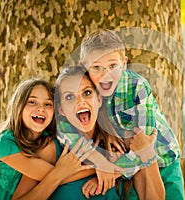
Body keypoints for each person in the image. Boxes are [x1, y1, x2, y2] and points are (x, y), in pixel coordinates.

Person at [79, 29, 185, 200]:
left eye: (113, 66)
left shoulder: (137, 87)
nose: (106, 75)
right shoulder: (88, 90)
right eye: (97, 67)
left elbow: (146, 141)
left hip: (164, 159)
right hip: (132, 169)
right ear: (84, 67)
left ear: (125, 63)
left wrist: (111, 172)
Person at [53, 66, 163, 199]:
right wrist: (100, 165)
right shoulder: (54, 149)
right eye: (69, 97)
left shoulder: (123, 144)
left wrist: (146, 153)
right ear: (60, 109)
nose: (80, 102)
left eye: (87, 93)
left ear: (99, 99)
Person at [0, 78, 93, 199]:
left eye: (48, 104)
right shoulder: (4, 143)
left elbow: (60, 174)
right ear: (18, 107)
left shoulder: (47, 139)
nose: (41, 108)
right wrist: (103, 170)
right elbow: (56, 175)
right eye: (32, 102)